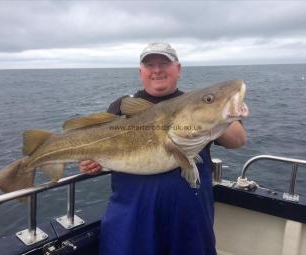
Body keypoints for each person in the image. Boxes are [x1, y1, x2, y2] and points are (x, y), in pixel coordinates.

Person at [80, 42, 248, 255]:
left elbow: (238, 141)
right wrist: (91, 163)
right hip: (133, 214)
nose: (157, 70)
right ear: (141, 72)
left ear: (178, 69)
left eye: (164, 63)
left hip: (189, 215)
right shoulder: (121, 107)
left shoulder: (199, 103)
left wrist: (223, 114)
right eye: (150, 65)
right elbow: (97, 149)